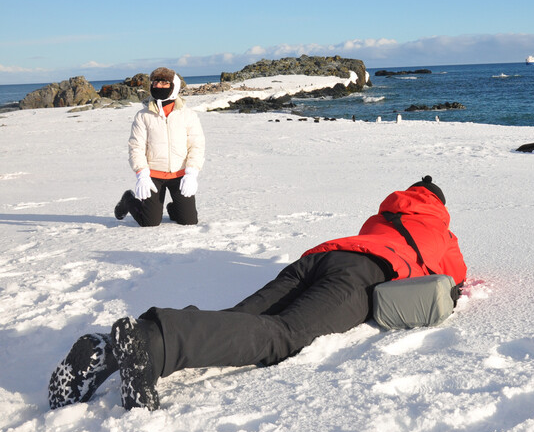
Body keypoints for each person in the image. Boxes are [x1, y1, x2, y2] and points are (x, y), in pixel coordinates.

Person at [50, 176, 466, 411]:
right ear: (439, 206)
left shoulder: (382, 214)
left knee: (242, 317)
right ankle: (151, 344)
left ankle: (108, 349)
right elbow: (456, 278)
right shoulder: (442, 231)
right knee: (281, 334)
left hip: (317, 258)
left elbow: (368, 242)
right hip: (361, 276)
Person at [114, 67, 205, 226]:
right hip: (153, 176)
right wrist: (142, 174)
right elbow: (136, 147)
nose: (158, 86)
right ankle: (129, 200)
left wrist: (192, 173)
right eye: (156, 82)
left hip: (181, 174)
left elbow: (196, 145)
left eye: (164, 83)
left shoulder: (187, 115)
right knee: (149, 222)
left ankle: (175, 207)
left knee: (189, 220)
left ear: (174, 86)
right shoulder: (143, 116)